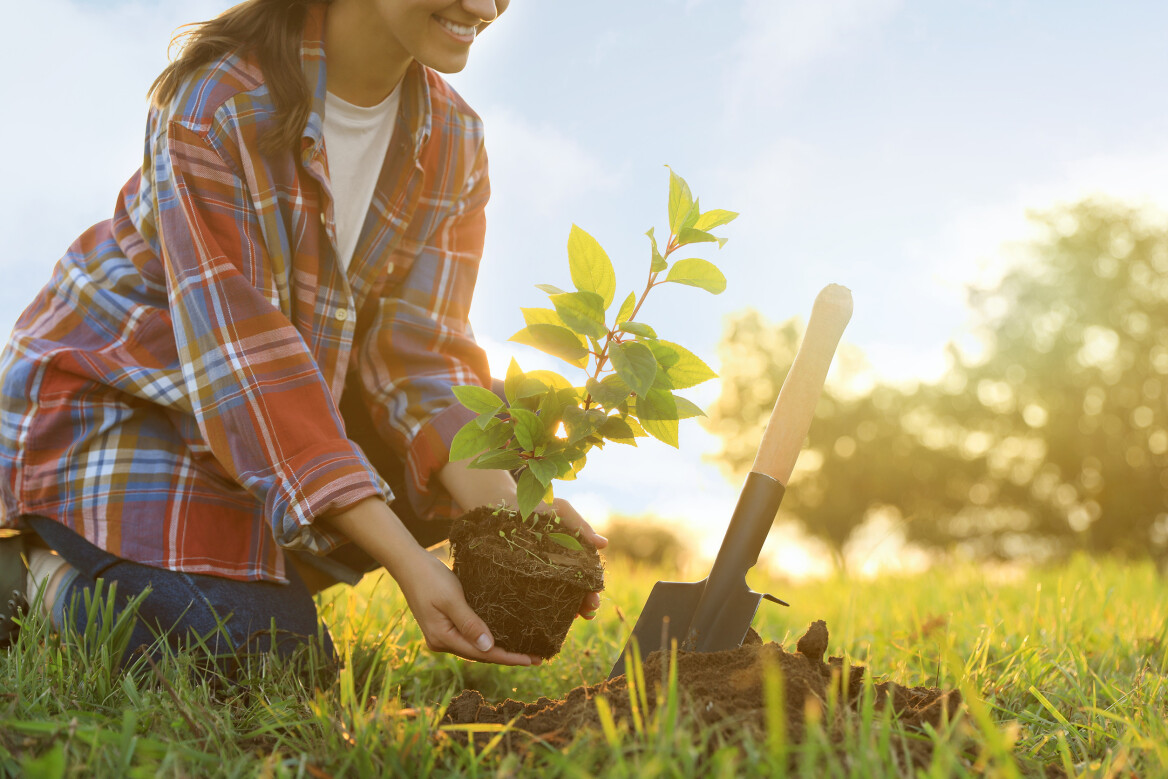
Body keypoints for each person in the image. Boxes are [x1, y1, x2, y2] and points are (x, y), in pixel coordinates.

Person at [0, 0, 605, 669]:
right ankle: (31, 576)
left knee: (475, 434)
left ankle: (241, 574)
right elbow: (252, 375)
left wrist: (513, 516)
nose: (484, 6)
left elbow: (421, 355)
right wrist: (406, 560)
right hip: (122, 407)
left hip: (262, 422)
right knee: (265, 656)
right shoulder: (219, 104)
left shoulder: (454, 138)